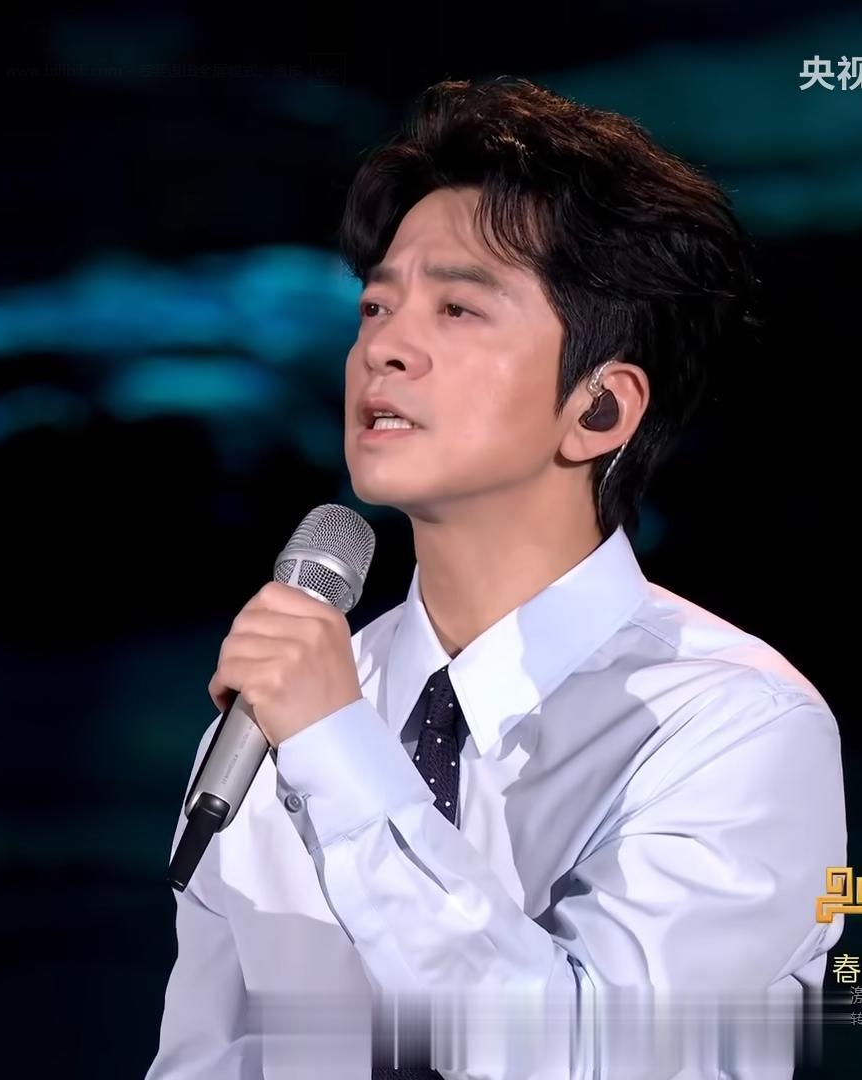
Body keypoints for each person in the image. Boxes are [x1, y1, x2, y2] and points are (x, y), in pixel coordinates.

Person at [146, 76, 846, 1079]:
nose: (383, 347)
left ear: (598, 410)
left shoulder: (734, 725)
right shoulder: (275, 716)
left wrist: (340, 757)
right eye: (374, 305)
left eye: (457, 308)